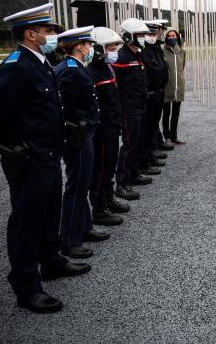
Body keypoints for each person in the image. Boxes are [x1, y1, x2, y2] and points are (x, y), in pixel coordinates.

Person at [0, 3, 90, 314]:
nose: (54, 36)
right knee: (26, 221)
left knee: (48, 212)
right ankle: (26, 285)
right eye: (48, 32)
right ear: (31, 34)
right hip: (29, 159)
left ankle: (51, 260)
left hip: (48, 154)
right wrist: (3, 148)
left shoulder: (40, 62)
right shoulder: (16, 67)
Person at [55, 26, 109, 259]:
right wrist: (79, 126)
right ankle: (69, 240)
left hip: (84, 133)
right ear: (79, 46)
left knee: (83, 182)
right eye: (87, 45)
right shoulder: (69, 70)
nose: (90, 49)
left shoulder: (76, 67)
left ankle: (84, 227)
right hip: (77, 136)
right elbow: (64, 107)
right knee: (76, 187)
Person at [88, 27, 129, 225]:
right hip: (102, 131)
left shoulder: (106, 68)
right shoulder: (92, 73)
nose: (115, 51)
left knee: (110, 166)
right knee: (101, 169)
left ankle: (108, 197)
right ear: (99, 49)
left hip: (112, 127)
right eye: (111, 47)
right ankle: (98, 208)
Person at [113, 18, 152, 201]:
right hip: (128, 109)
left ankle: (134, 173)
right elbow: (116, 86)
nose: (143, 38)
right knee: (129, 145)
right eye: (139, 35)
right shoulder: (121, 57)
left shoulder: (137, 55)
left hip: (140, 105)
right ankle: (122, 182)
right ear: (128, 36)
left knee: (137, 142)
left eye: (143, 35)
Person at [138, 19, 171, 177]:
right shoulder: (144, 50)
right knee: (146, 129)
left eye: (155, 32)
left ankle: (150, 154)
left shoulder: (155, 48)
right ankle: (145, 159)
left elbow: (161, 68)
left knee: (151, 127)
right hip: (150, 94)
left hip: (158, 92)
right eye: (150, 33)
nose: (155, 35)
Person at [162, 27, 187, 144]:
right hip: (167, 86)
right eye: (169, 36)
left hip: (179, 86)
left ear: (177, 37)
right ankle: (166, 137)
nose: (172, 38)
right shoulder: (162, 50)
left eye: (174, 36)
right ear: (166, 37)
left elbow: (182, 67)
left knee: (176, 113)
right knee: (166, 113)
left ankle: (174, 136)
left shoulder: (182, 51)